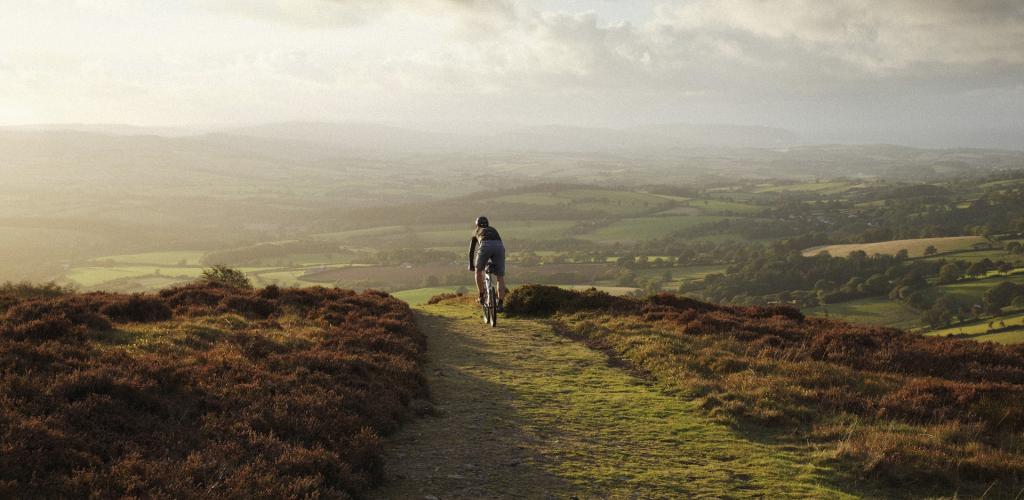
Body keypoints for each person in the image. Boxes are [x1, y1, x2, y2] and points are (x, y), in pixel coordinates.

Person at [468, 216, 507, 312]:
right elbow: (497, 243)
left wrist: (472, 265)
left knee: (478, 271)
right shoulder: (493, 230)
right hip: (499, 247)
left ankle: (481, 296)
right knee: (500, 277)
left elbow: (471, 251)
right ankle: (501, 304)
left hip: (485, 246)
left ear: (477, 225)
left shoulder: (476, 232)